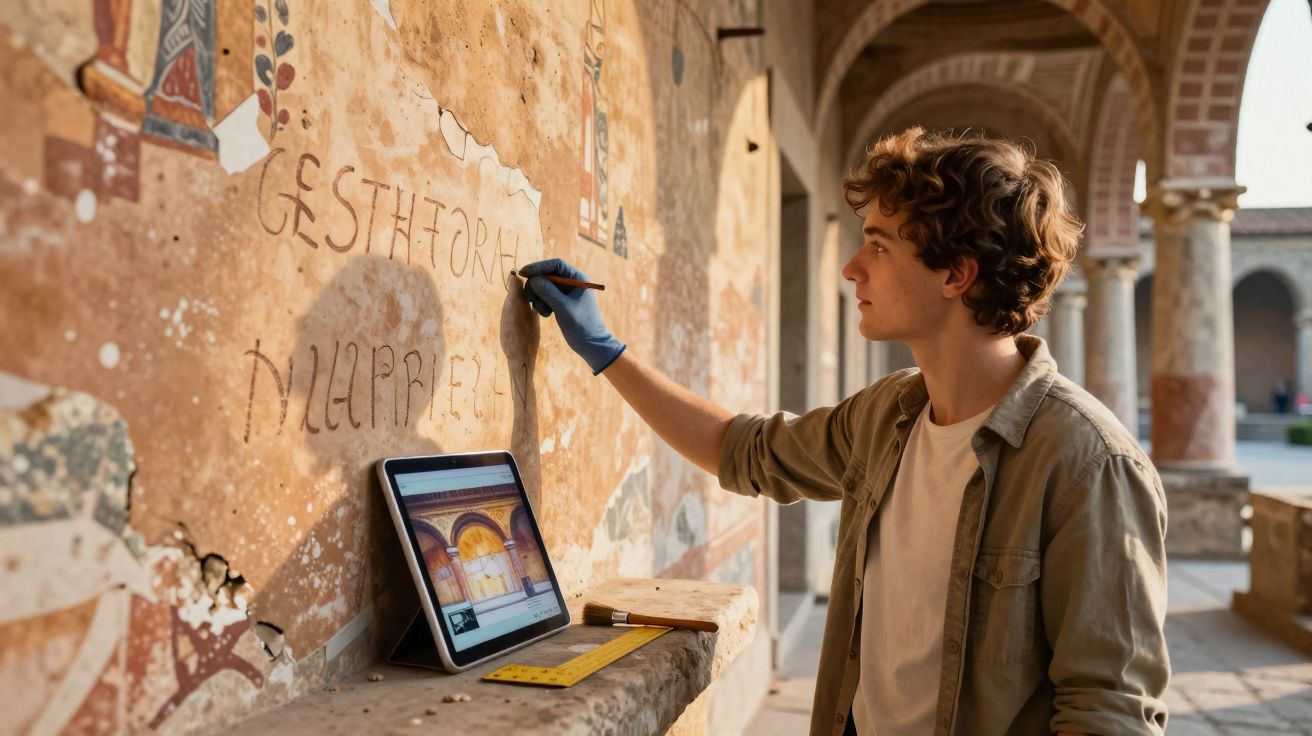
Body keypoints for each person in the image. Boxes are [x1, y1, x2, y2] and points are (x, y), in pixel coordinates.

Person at [519, 127, 1170, 736]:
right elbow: (741, 450)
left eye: (880, 245)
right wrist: (605, 351)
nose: (852, 267)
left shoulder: (1089, 463)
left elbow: (1108, 710)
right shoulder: (889, 415)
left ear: (956, 273)